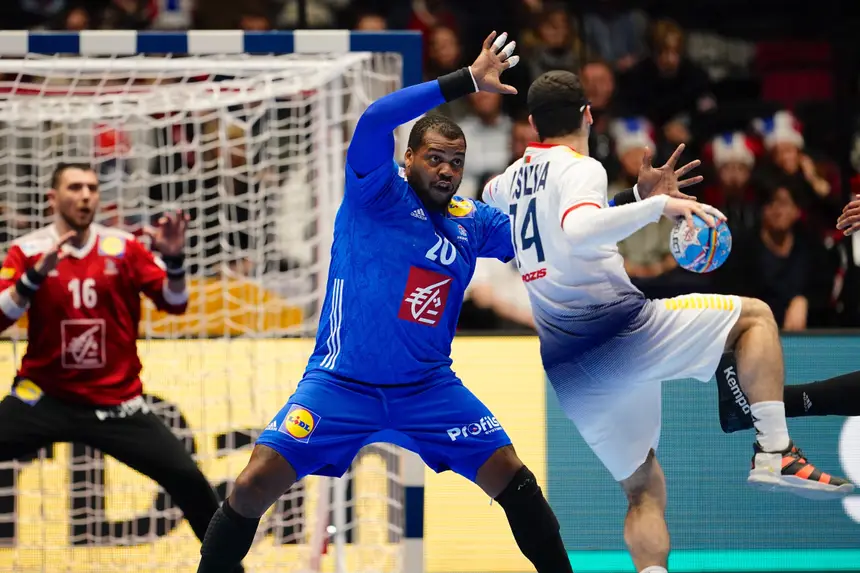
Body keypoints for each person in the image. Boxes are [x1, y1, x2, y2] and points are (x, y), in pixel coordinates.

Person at [194, 32, 583, 573]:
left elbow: (559, 229)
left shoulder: (472, 222)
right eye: (435, 159)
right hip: (340, 384)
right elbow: (376, 117)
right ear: (409, 159)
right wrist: (466, 80)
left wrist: (636, 201)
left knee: (513, 478)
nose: (446, 170)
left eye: (455, 161)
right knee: (254, 481)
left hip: (428, 390)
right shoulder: (376, 193)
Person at [481, 70, 852, 573]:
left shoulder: (502, 185)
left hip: (568, 367)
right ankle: (774, 449)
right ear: (588, 115)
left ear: (530, 124)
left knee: (643, 490)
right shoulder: (582, 167)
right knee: (756, 317)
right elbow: (578, 228)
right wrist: (660, 204)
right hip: (622, 330)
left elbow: (551, 228)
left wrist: (634, 199)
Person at [0, 163, 241, 571]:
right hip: (44, 399)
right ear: (52, 198)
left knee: (189, 482)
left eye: (92, 188)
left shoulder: (124, 247)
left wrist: (175, 259)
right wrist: (31, 280)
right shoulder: (27, 250)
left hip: (118, 404)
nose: (86, 196)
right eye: (75, 188)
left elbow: (175, 302)